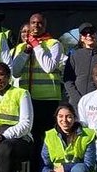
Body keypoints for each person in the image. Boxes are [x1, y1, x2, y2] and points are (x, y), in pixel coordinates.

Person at [10, 13, 63, 158]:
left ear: (44, 26)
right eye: (33, 23)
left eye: (39, 23)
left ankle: (44, 170)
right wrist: (26, 51)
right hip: (26, 98)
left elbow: (49, 67)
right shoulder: (21, 47)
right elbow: (15, 72)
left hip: (47, 99)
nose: (36, 25)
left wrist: (36, 46)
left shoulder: (54, 44)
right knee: (29, 136)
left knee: (45, 138)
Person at [34, 102, 97, 172]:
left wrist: (65, 167)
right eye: (61, 116)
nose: (64, 120)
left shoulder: (88, 135)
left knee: (80, 169)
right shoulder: (50, 136)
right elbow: (43, 166)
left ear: (74, 118)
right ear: (56, 118)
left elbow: (89, 165)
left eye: (69, 117)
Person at [62, 22, 97, 106]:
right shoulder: (74, 55)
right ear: (81, 38)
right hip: (76, 104)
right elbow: (68, 80)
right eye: (85, 33)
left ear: (96, 35)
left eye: (91, 32)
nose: (88, 35)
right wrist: (77, 99)